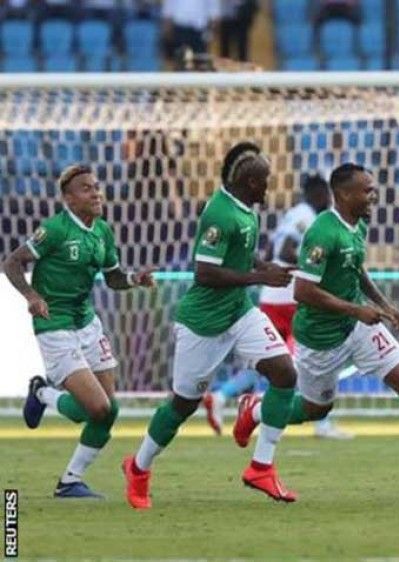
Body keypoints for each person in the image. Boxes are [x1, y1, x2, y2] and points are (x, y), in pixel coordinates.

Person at [232, 163, 399, 490]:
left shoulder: (358, 224)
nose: (373, 195)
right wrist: (356, 309)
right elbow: (303, 291)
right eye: (367, 190)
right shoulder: (322, 232)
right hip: (320, 337)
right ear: (344, 195)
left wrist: (383, 304)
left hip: (356, 326)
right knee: (316, 409)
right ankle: (256, 410)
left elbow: (355, 268)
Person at [123, 142, 300, 509]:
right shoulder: (219, 213)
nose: (269, 188)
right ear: (250, 182)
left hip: (239, 312)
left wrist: (263, 266)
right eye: (265, 182)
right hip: (203, 322)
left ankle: (261, 467)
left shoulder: (245, 209)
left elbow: (241, 251)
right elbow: (204, 273)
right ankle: (138, 468)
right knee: (183, 405)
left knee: (285, 373)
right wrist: (259, 278)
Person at [6, 164, 156, 498]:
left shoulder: (102, 231)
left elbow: (113, 278)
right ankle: (43, 394)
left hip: (86, 322)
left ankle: (70, 481)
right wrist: (32, 296)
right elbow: (12, 262)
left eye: (97, 187)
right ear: (69, 199)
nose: (96, 193)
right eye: (86, 189)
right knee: (98, 408)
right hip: (54, 323)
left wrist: (135, 279)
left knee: (108, 411)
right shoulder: (55, 230)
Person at [203, 173, 353, 439]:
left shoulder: (292, 215)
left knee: (272, 360)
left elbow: (272, 249)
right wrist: (321, 268)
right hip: (292, 300)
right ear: (318, 194)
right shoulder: (309, 216)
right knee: (310, 358)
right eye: (327, 194)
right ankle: (310, 420)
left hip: (272, 297)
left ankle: (221, 397)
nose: (329, 200)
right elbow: (285, 251)